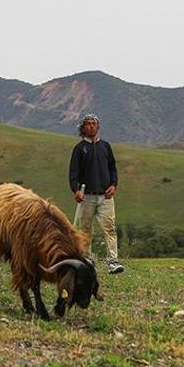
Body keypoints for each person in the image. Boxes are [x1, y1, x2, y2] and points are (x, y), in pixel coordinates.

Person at [68, 114, 124, 274]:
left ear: (98, 127)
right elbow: (73, 173)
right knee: (84, 229)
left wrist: (114, 185)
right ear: (83, 128)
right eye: (88, 124)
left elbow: (112, 168)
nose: (91, 126)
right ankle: (87, 260)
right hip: (87, 196)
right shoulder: (79, 149)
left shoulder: (105, 146)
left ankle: (113, 261)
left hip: (105, 196)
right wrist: (76, 190)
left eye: (94, 124)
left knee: (110, 228)